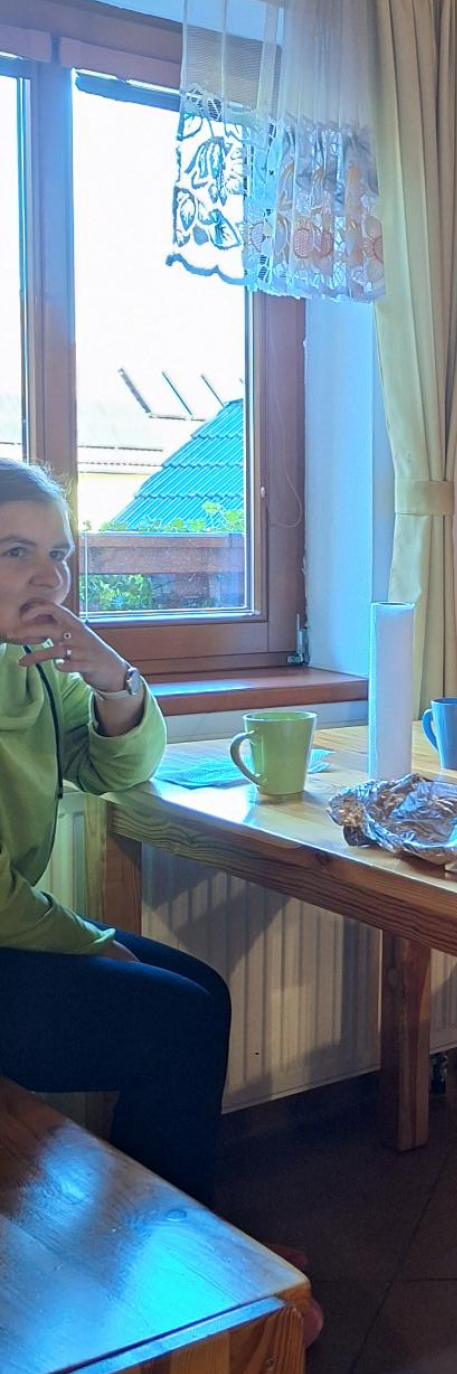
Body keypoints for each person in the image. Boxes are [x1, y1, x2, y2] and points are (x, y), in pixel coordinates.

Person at [0, 459, 234, 1208]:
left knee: (203, 990)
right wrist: (92, 942)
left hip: (9, 934)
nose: (49, 578)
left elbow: (115, 769)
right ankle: (177, 1252)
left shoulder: (32, 664)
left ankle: (165, 1232)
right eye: (16, 551)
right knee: (180, 1022)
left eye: (59, 553)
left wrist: (113, 679)